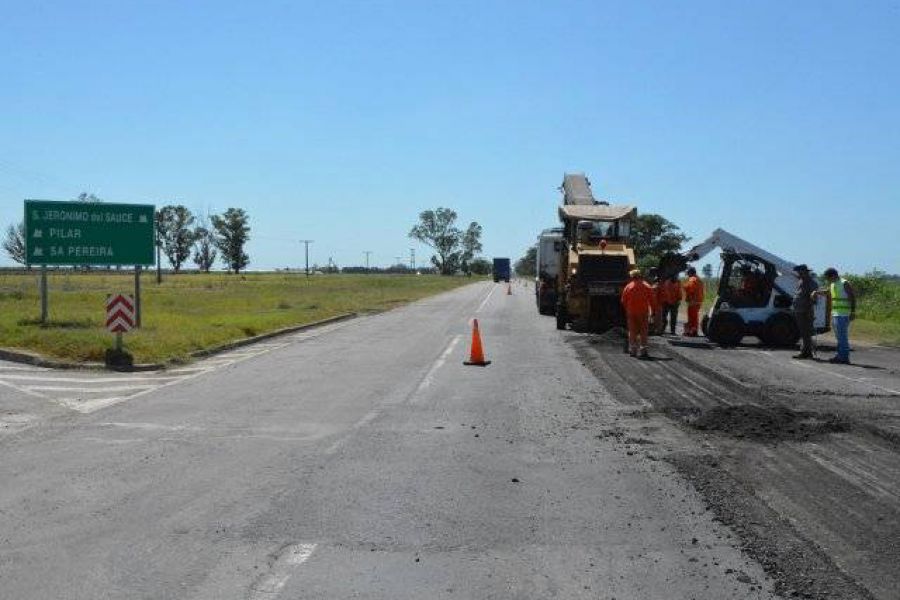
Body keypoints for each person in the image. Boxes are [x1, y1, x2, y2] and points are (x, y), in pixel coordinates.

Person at [819, 267, 856, 364]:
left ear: (833, 275)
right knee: (839, 336)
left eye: (828, 278)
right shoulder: (833, 284)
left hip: (843, 314)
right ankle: (840, 355)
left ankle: (843, 357)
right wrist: (817, 292)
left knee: (842, 336)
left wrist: (853, 312)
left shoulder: (844, 283)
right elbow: (828, 292)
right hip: (836, 313)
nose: (827, 280)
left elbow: (852, 297)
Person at [621, 269, 656, 358]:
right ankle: (643, 351)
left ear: (632, 277)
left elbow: (623, 301)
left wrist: (627, 309)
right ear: (640, 276)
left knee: (632, 331)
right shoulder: (647, 286)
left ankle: (633, 350)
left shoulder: (628, 287)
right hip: (643, 313)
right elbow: (652, 300)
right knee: (643, 331)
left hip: (631, 313)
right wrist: (653, 312)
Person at [791, 264, 817, 359]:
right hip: (799, 310)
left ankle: (806, 352)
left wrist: (809, 311)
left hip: (806, 310)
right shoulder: (801, 281)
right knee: (803, 332)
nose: (798, 273)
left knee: (806, 332)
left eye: (800, 272)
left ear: (805, 272)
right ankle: (805, 351)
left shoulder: (811, 283)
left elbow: (813, 298)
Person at [683, 267, 704, 336]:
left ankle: (692, 331)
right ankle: (694, 330)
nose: (688, 275)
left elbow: (690, 289)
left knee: (691, 317)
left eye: (688, 273)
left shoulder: (692, 279)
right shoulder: (699, 280)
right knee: (695, 316)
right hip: (698, 301)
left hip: (692, 301)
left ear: (690, 273)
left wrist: (684, 286)